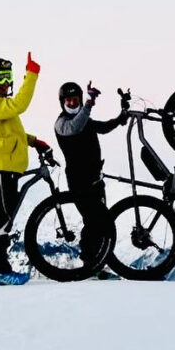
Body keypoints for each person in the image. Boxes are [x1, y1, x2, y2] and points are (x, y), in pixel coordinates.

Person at [0, 52, 49, 286]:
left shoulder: (0, 106)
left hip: (9, 168)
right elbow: (19, 105)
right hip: (0, 167)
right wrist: (32, 75)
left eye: (8, 77)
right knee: (3, 220)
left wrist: (33, 141)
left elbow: (12, 133)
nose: (5, 82)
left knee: (4, 218)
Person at [54, 81, 129, 274]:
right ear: (62, 102)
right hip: (79, 180)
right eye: (68, 100)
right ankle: (89, 265)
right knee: (92, 220)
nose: (72, 103)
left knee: (100, 223)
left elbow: (103, 127)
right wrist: (88, 104)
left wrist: (121, 117)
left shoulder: (85, 119)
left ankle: (97, 264)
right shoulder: (61, 124)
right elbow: (75, 127)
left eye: (75, 99)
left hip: (95, 178)